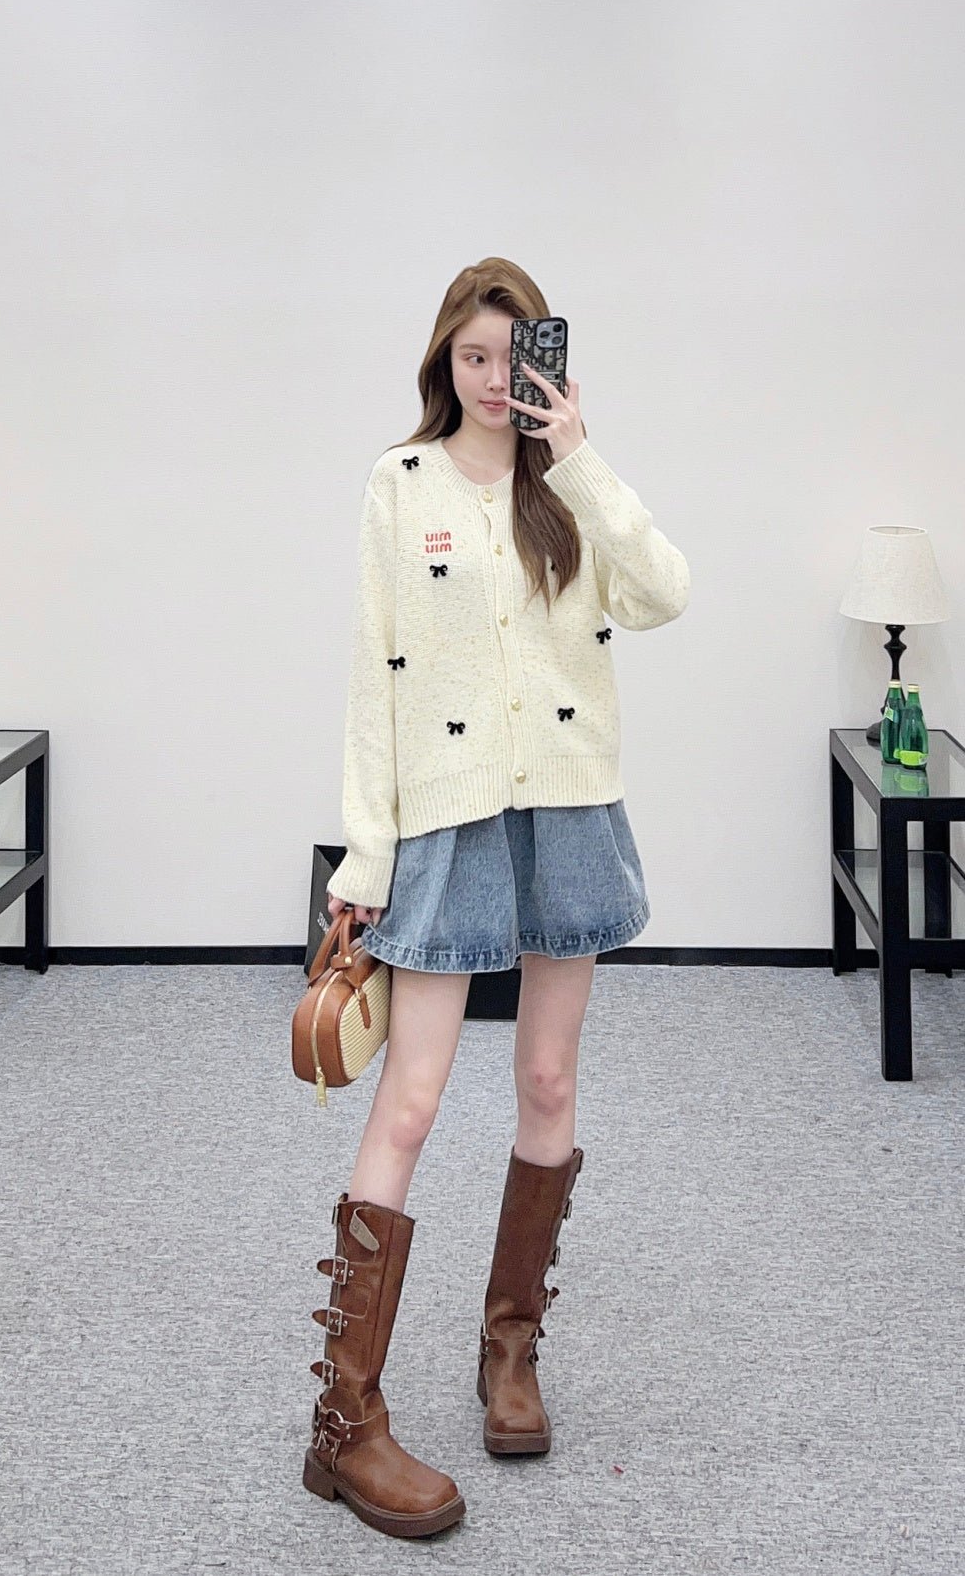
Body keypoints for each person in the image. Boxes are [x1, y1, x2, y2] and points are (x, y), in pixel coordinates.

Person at [303, 256, 691, 1539]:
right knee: (411, 1098)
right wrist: (366, 861)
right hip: (449, 817)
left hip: (569, 810)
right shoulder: (400, 482)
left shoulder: (567, 487)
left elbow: (665, 593)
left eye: (512, 359)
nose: (490, 381)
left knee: (547, 1081)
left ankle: (510, 1351)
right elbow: (373, 681)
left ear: (545, 366)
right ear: (444, 362)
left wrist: (575, 454)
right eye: (472, 358)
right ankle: (344, 1421)